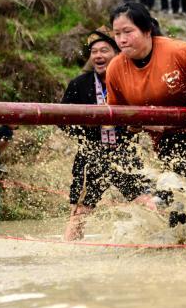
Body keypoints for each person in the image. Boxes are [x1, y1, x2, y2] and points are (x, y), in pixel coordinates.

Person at [108, 2, 186, 186]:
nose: (122, 39)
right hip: (163, 143)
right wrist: (134, 124)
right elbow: (116, 115)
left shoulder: (180, 52)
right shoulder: (115, 68)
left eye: (128, 32)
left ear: (147, 30)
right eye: (117, 34)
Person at [60, 27, 150, 241]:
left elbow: (145, 111)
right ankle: (69, 253)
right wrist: (83, 131)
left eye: (104, 50)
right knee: (79, 211)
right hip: (91, 153)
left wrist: (132, 128)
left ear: (117, 54)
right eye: (94, 52)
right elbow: (61, 118)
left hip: (123, 151)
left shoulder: (130, 79)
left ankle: (156, 242)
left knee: (145, 200)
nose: (98, 56)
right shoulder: (79, 84)